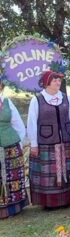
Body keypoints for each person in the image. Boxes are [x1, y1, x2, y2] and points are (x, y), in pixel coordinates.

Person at [27, 70, 70, 208]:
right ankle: (49, 202)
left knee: (67, 170)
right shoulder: (37, 99)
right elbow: (31, 122)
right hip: (46, 143)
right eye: (55, 80)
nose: (58, 82)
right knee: (48, 173)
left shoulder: (65, 98)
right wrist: (34, 144)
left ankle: (67, 199)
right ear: (46, 83)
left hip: (65, 141)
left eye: (59, 80)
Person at [0, 81, 27, 218]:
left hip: (11, 144)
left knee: (14, 177)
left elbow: (18, 123)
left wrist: (20, 144)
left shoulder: (7, 103)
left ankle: (15, 207)